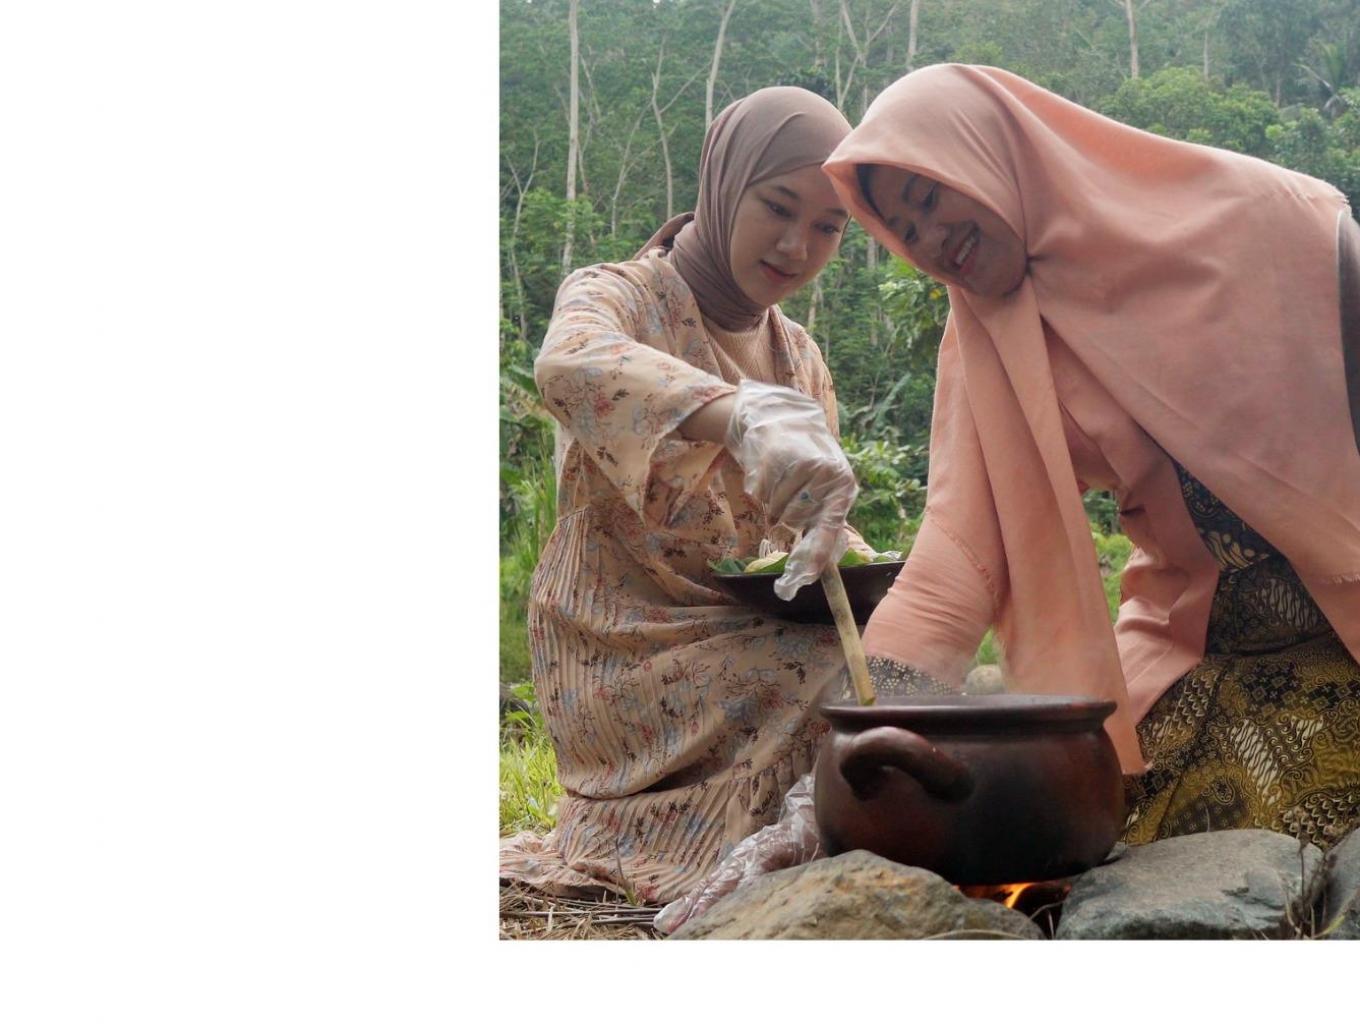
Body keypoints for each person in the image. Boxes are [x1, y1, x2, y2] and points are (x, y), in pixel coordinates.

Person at [655, 63, 1360, 933]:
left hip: (1345, 628)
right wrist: (819, 797)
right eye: (904, 227)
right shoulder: (986, 331)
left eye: (930, 196)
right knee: (1087, 841)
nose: (930, 237)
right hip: (1194, 648)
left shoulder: (1271, 222)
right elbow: (955, 562)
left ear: (992, 156)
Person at [498, 86, 876, 905]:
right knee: (828, 681)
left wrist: (840, 541)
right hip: (620, 641)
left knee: (899, 668)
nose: (796, 245)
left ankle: (820, 835)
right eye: (777, 207)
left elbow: (800, 520)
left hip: (746, 624)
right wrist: (734, 413)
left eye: (828, 226)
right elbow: (569, 360)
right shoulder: (620, 294)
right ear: (722, 184)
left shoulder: (800, 356)